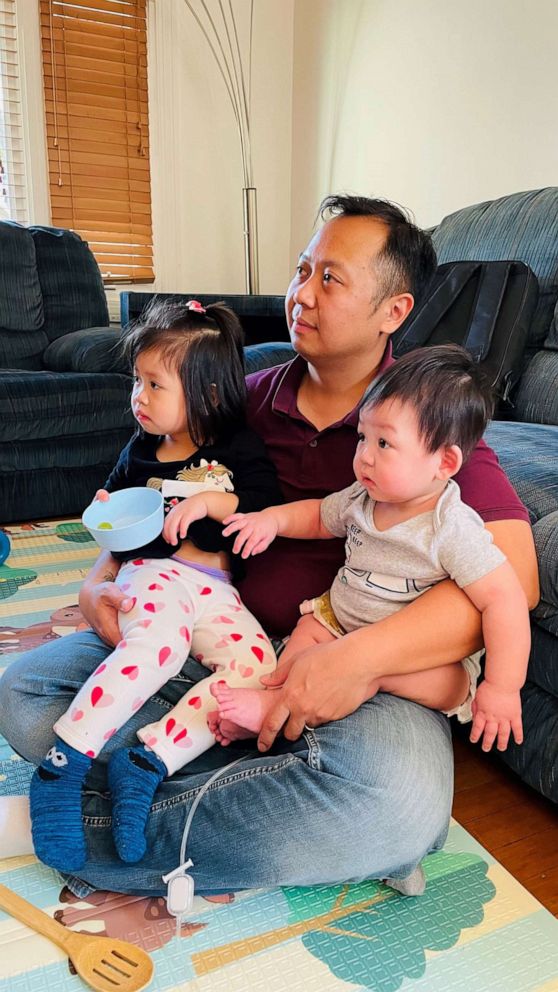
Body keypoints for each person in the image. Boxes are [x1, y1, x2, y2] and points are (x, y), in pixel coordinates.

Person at [0, 195, 538, 900]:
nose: (301, 295)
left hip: (361, 680)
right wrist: (96, 582)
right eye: (301, 270)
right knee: (25, 694)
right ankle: (267, 797)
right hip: (204, 641)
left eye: (330, 279)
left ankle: (77, 819)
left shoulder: (421, 425)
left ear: (394, 312)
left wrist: (355, 660)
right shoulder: (238, 398)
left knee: (395, 802)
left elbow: (515, 583)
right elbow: (145, 483)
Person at [29, 299, 280, 873]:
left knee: (257, 669)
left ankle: (149, 760)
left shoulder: (236, 448)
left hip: (216, 588)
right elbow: (112, 521)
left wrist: (217, 500)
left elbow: (267, 505)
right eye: (136, 382)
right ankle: (62, 767)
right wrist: (104, 512)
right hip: (154, 575)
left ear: (209, 394)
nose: (138, 397)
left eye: (154, 384)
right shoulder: (139, 452)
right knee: (156, 647)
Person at [213, 345, 530, 753]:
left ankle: (350, 686)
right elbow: (317, 517)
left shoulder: (451, 527)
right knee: (304, 637)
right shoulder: (363, 497)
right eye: (363, 437)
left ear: (445, 463)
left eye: (384, 444)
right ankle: (274, 700)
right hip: (338, 620)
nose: (363, 456)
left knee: (447, 682)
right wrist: (272, 519)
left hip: (407, 659)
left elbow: (505, 600)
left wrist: (503, 687)